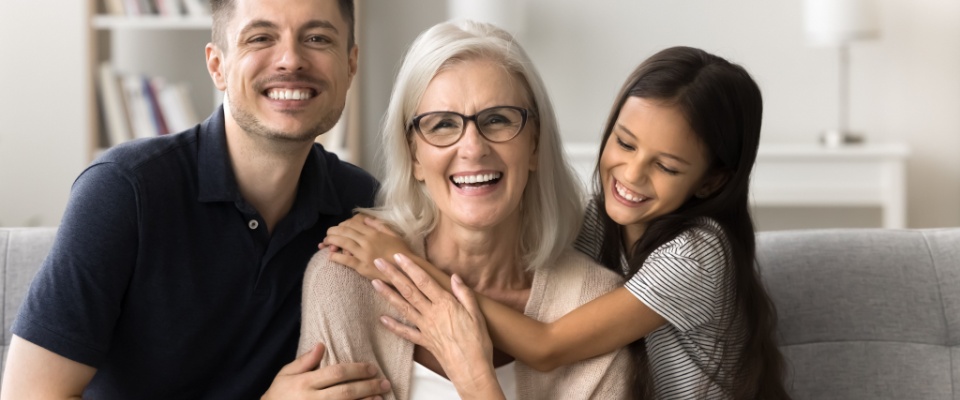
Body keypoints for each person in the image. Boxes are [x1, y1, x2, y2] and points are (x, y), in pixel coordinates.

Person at [325, 46, 790, 399]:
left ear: (711, 182)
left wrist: (402, 265)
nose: (630, 176)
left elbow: (547, 345)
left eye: (666, 167)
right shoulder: (598, 219)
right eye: (624, 144)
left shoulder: (699, 254)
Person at [0, 0, 391, 398]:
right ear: (217, 65)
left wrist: (401, 265)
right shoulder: (125, 190)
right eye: (260, 37)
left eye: (317, 38)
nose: (291, 59)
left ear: (350, 64)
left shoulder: (361, 204)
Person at [298, 20, 633, 400]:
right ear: (415, 157)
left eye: (497, 120)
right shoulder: (344, 282)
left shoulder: (596, 311)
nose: (473, 148)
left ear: (535, 145)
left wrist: (476, 380)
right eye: (442, 124)